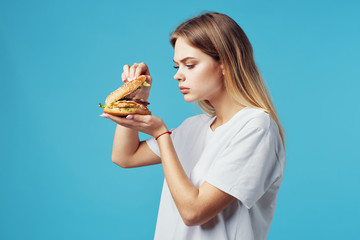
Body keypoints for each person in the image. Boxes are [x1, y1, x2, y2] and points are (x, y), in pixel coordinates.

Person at [100, 12, 286, 240]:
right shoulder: (194, 127)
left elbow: (194, 212)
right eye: (176, 66)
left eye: (190, 65)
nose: (178, 76)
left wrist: (161, 134)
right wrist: (135, 100)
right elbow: (124, 157)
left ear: (225, 64)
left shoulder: (256, 127)